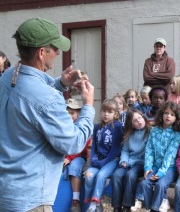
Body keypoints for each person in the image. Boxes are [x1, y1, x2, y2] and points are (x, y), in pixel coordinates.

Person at [0, 18, 95, 212]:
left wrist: (60, 83)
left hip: (7, 191)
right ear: (42, 53)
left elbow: (30, 99)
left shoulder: (8, 75)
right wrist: (88, 106)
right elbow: (74, 143)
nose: (59, 53)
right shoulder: (47, 97)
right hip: (31, 200)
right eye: (55, 48)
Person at [141, 102, 180, 212]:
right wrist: (147, 167)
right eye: (166, 113)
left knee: (161, 184)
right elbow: (149, 149)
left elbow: (171, 154)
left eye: (172, 114)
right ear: (161, 114)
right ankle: (149, 206)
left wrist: (161, 172)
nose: (168, 116)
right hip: (155, 166)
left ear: (177, 118)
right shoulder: (154, 130)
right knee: (145, 183)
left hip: (169, 168)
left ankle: (154, 209)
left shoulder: (177, 134)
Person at [84, 99, 123, 212]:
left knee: (101, 175)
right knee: (88, 175)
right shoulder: (97, 127)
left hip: (111, 160)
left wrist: (101, 163)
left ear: (115, 114)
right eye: (104, 111)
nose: (106, 114)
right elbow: (94, 146)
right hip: (98, 160)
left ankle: (94, 202)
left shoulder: (117, 126)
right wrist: (93, 160)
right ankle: (94, 203)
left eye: (109, 112)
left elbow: (115, 150)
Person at [112, 110, 151, 212]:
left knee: (130, 175)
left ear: (143, 117)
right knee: (117, 174)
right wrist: (124, 160)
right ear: (131, 124)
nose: (139, 121)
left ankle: (127, 206)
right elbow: (125, 150)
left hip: (141, 163)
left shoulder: (150, 132)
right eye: (135, 120)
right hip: (129, 161)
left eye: (140, 117)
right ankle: (116, 206)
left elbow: (150, 153)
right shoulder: (130, 134)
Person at [64, 98, 92, 212]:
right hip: (64, 156)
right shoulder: (61, 126)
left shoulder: (81, 126)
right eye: (66, 112)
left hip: (79, 156)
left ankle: (75, 201)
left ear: (78, 113)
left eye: (72, 113)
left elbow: (82, 146)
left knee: (75, 166)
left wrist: (69, 158)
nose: (69, 115)